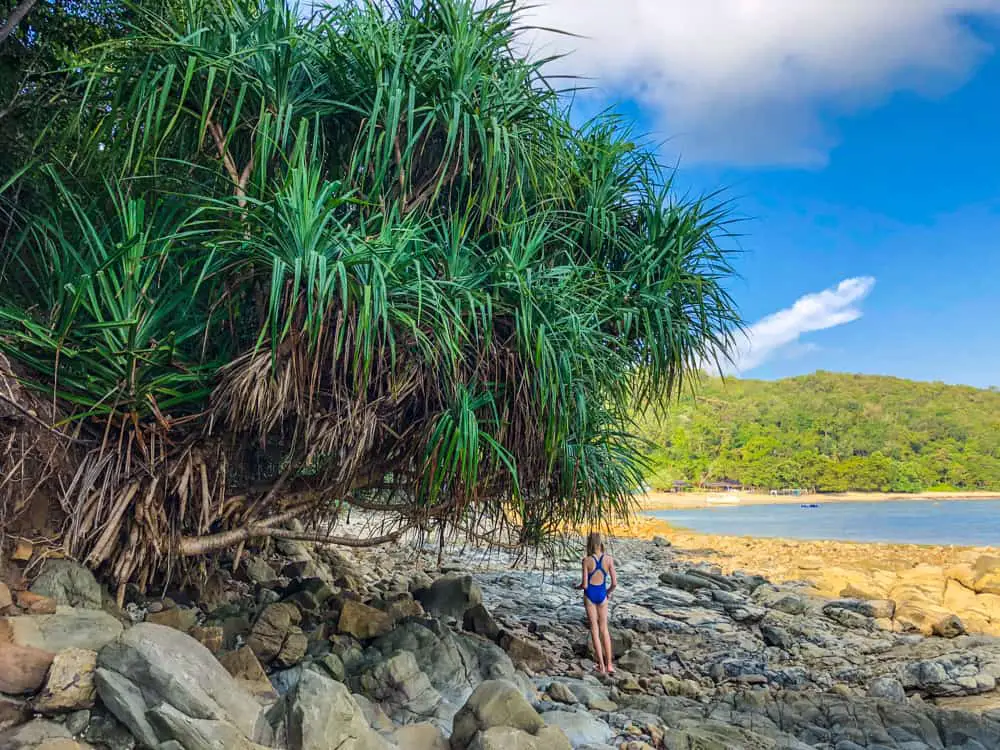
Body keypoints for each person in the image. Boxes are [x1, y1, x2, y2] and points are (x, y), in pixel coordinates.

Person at [574, 531, 617, 673]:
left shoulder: (586, 561)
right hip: (602, 595)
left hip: (590, 595)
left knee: (594, 629)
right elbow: (614, 583)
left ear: (589, 544)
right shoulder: (609, 559)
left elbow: (585, 585)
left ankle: (601, 666)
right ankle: (610, 664)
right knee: (604, 630)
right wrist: (608, 593)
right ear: (601, 544)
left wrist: (577, 587)